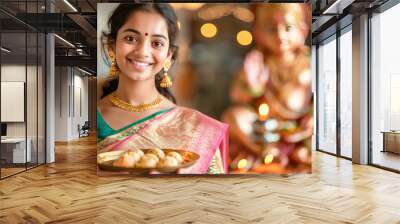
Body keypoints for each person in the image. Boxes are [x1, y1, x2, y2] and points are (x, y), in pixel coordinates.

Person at [97, 3, 228, 174]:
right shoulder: (88, 119)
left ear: (168, 56)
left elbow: (213, 196)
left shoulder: (195, 128)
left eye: (157, 43)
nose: (143, 51)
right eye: (130, 39)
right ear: (112, 46)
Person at [222, 3, 312, 173]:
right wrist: (252, 87)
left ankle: (291, 152)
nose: (280, 35)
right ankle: (266, 152)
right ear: (258, 33)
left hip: (298, 129)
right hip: (262, 130)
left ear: (302, 30)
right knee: (233, 116)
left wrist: (314, 117)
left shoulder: (308, 64)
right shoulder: (257, 63)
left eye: (288, 27)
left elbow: (325, 98)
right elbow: (236, 97)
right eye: (271, 29)